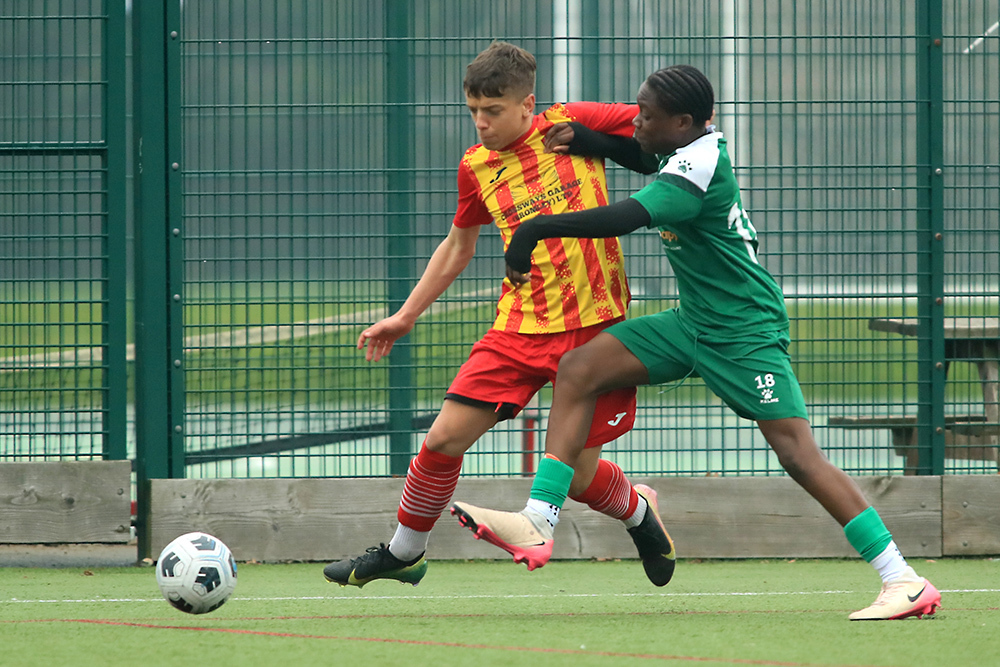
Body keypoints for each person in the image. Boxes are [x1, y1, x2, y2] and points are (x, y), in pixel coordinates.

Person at [450, 64, 942, 621]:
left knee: (798, 456)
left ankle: (903, 579)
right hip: (692, 323)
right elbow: (646, 157)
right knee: (579, 368)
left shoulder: (698, 167)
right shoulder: (687, 148)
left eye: (646, 116)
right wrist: (592, 141)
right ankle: (540, 519)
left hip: (743, 330)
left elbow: (627, 216)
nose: (636, 122)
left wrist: (535, 229)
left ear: (683, 123)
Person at [323, 41, 676, 589]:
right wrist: (406, 315)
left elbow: (664, 128)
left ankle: (638, 512)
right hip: (519, 328)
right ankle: (404, 552)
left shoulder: (572, 120)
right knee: (441, 440)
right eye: (473, 111)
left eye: (492, 110)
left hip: (594, 333)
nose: (481, 123)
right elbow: (458, 245)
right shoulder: (476, 166)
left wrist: (597, 142)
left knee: (579, 478)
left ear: (527, 104)